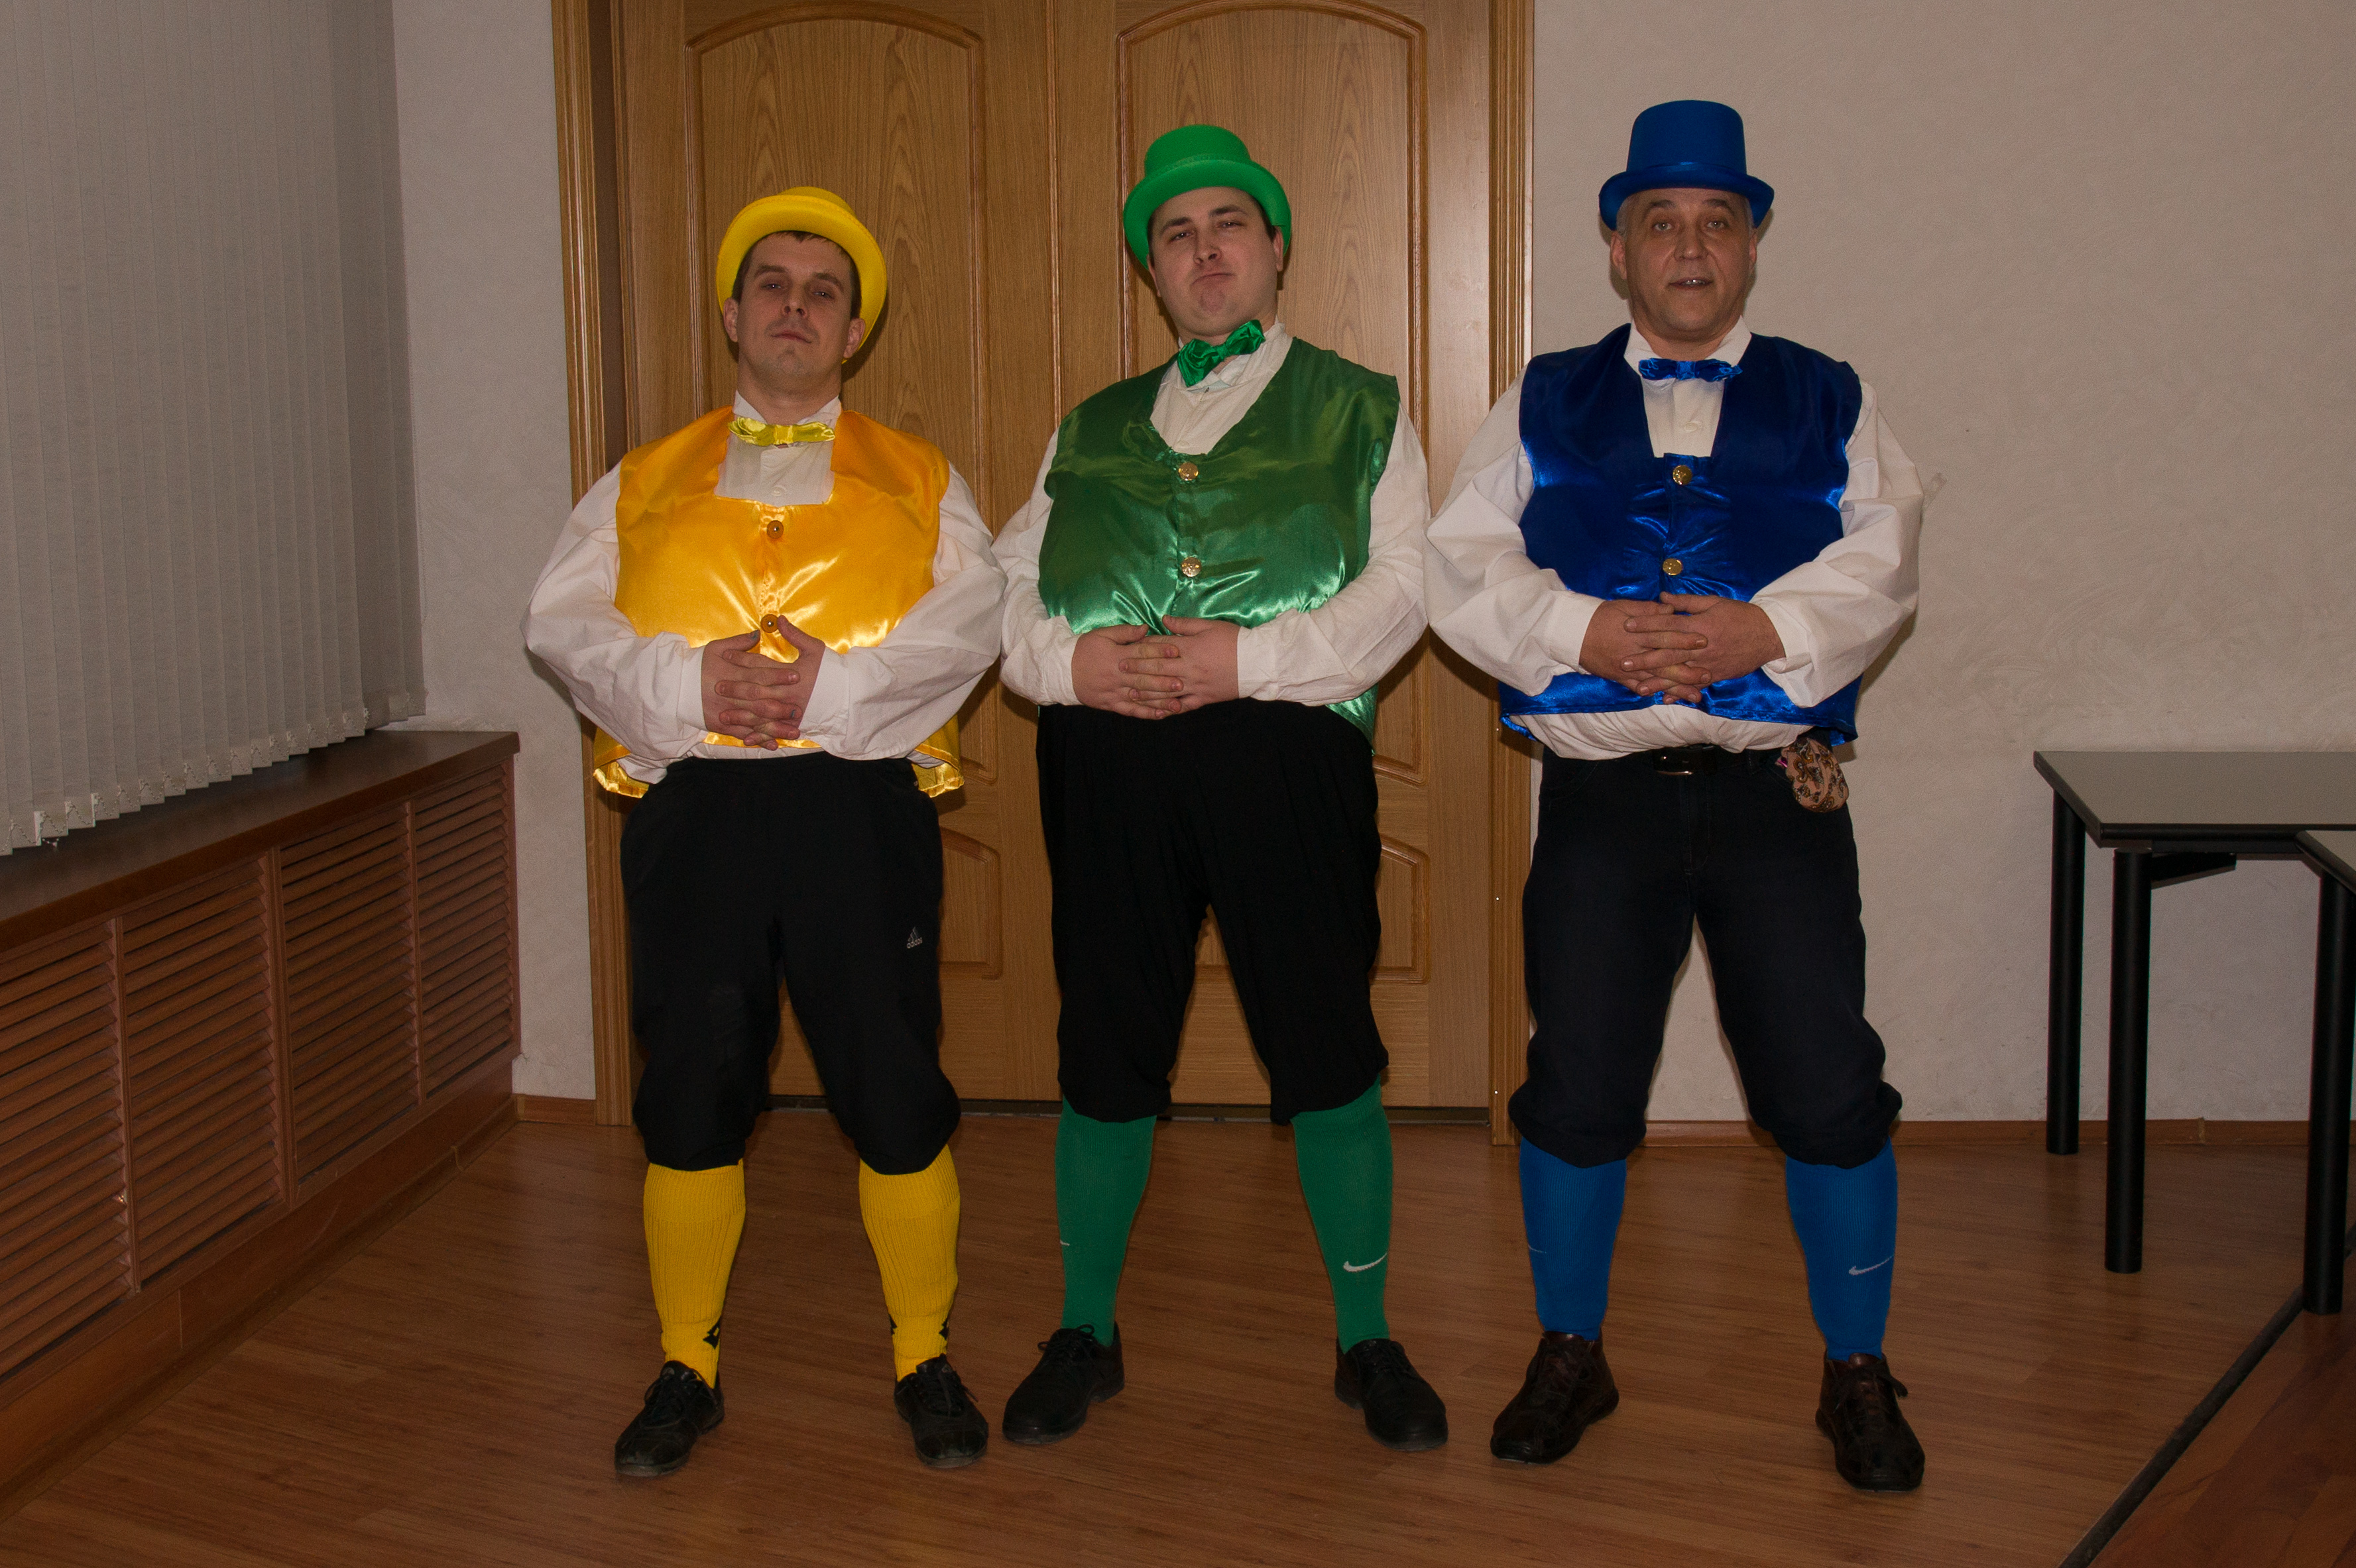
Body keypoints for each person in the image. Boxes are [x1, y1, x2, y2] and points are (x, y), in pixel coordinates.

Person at [1424, 100, 1927, 1490]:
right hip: (1604, 809)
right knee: (1577, 1082)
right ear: (1618, 249)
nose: (1690, 248)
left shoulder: (1831, 395)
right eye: (1662, 223)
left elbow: (1884, 554)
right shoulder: (1539, 398)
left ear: (1752, 244)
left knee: (1826, 1087)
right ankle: (1570, 1350)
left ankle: (1857, 1365)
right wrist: (1581, 630)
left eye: (1717, 222)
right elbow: (1461, 561)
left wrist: (1768, 631)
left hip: (1778, 801)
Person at [524, 187, 1005, 1475]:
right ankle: (686, 1362)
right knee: (690, 1088)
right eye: (773, 286)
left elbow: (970, 624)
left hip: (860, 810)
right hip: (697, 815)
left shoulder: (923, 480)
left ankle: (923, 1352)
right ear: (733, 315)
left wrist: (828, 694)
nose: (796, 307)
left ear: (853, 331)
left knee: (893, 1087)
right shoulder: (640, 481)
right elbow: (561, 625)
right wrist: (688, 684)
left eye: (823, 291)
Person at [992, 125, 1445, 1452]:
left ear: (1275, 247)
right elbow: (1003, 592)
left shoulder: (1363, 407)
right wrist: (1071, 665)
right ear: (1150, 267)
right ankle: (1084, 1327)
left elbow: (1405, 587)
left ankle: (1367, 1339)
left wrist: (1246, 659)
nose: (1203, 252)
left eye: (1226, 225)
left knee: (1324, 1042)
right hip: (1107, 762)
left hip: (1283, 756)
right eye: (1175, 233)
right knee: (1105, 1044)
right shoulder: (1086, 427)